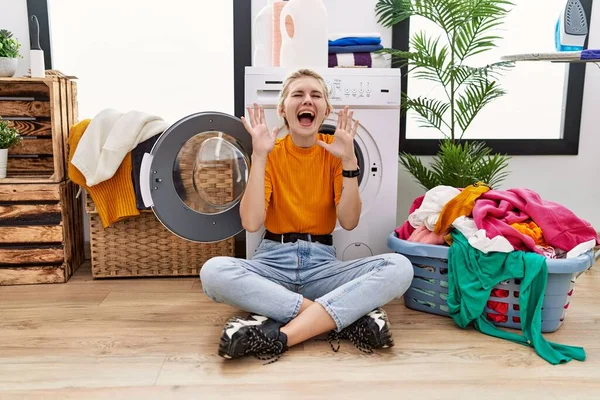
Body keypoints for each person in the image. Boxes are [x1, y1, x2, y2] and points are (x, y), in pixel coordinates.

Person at [200, 68, 413, 363]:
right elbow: (250, 223)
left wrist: (350, 160)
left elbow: (349, 221)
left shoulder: (335, 157)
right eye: (298, 94)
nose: (307, 100)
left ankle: (281, 335)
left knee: (400, 266)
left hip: (322, 267)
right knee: (213, 272)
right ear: (283, 109)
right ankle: (344, 319)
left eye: (316, 95)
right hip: (272, 263)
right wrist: (259, 156)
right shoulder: (270, 154)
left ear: (325, 109)